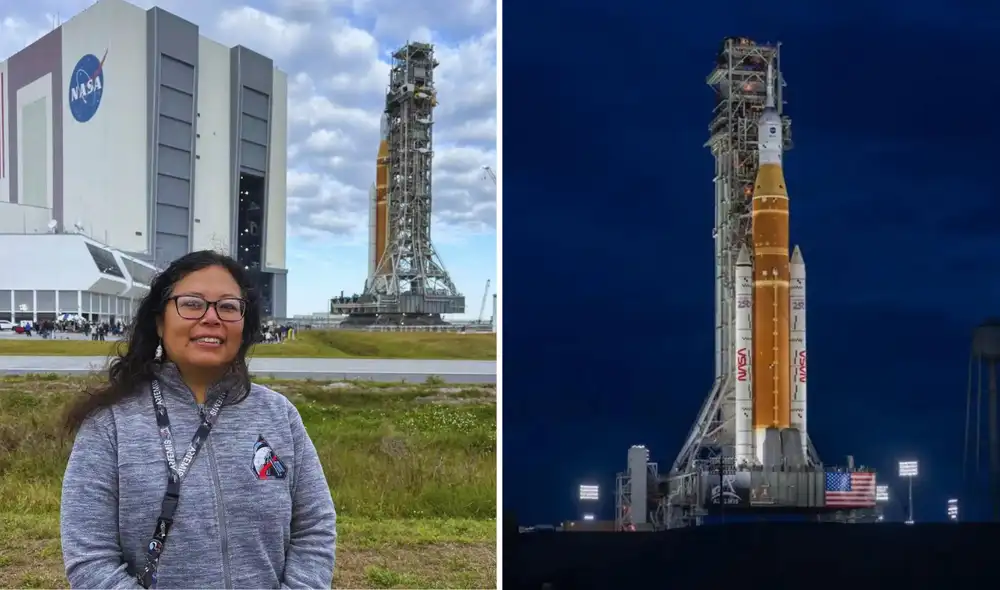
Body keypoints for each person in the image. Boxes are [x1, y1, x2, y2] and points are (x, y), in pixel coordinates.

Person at [60, 250, 337, 589]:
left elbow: (315, 528)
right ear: (160, 321)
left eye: (228, 307)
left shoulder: (279, 414)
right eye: (192, 303)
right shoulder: (111, 424)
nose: (211, 317)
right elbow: (90, 559)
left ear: (244, 325)